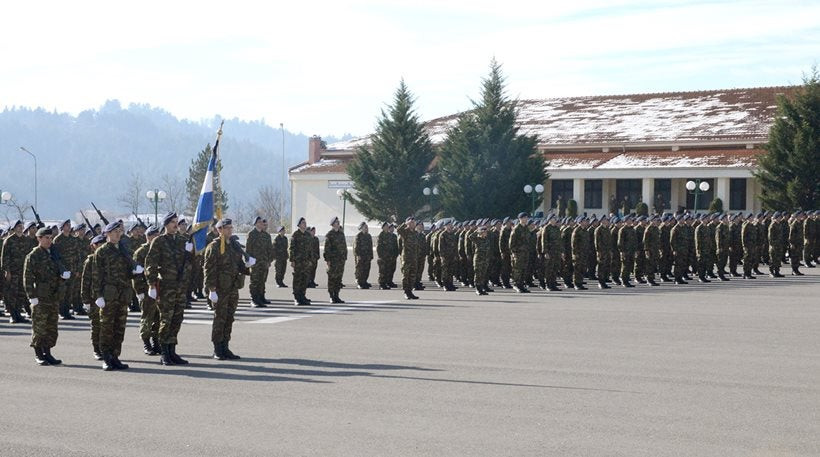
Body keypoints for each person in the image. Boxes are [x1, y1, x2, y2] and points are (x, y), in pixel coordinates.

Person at [92, 221, 142, 370]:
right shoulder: (101, 252)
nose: (117, 234)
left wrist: (135, 272)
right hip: (109, 295)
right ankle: (106, 358)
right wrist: (98, 295)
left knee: (119, 327)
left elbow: (127, 272)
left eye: (119, 232)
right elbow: (96, 276)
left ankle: (115, 356)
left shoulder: (124, 250)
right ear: (107, 234)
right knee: (107, 327)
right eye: (114, 232)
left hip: (123, 294)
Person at [145, 212, 193, 366]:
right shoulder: (159, 241)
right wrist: (151, 284)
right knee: (166, 319)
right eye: (172, 222)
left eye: (176, 222)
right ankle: (164, 353)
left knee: (177, 319)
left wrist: (192, 252)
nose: (175, 224)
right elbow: (150, 263)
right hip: (166, 287)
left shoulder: (182, 240)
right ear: (166, 224)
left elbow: (190, 263)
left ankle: (172, 351)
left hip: (180, 287)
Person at [204, 218, 253, 360]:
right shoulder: (214, 247)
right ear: (219, 230)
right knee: (219, 318)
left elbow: (238, 265)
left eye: (231, 228)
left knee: (229, 318)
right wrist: (211, 290)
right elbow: (208, 270)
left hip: (232, 288)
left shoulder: (234, 246)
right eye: (226, 228)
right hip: (219, 289)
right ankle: (217, 349)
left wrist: (247, 266)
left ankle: (225, 347)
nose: (229, 230)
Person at [23, 227, 70, 365]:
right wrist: (31, 296)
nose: (49, 240)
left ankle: (48, 353)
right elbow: (27, 278)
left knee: (51, 327)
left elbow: (59, 272)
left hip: (54, 296)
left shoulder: (54, 254)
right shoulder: (33, 255)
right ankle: (38, 354)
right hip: (40, 296)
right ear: (39, 239)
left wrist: (63, 276)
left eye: (50, 238)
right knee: (40, 327)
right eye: (46, 238)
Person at [132, 225, 161, 355]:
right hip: (146, 288)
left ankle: (156, 341)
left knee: (159, 317)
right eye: (154, 235)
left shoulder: (161, 250)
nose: (157, 238)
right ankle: (146, 342)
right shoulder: (141, 252)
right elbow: (136, 274)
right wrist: (139, 291)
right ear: (148, 237)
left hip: (160, 289)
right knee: (147, 316)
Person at [81, 234, 106, 359]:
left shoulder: (108, 259)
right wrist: (86, 300)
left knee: (107, 325)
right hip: (94, 298)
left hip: (107, 296)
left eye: (103, 244)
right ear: (93, 246)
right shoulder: (90, 261)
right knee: (96, 325)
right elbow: (85, 281)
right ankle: (96, 349)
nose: (101, 247)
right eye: (99, 245)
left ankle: (106, 349)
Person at [2, 220, 31, 323]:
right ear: (14, 228)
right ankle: (13, 315)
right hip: (13, 271)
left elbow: (28, 256)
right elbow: (5, 257)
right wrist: (7, 271)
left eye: (21, 226)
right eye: (18, 226)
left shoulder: (26, 240)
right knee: (12, 294)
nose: (20, 228)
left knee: (21, 293)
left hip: (23, 271)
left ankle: (18, 314)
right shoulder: (9, 241)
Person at [246, 216, 273, 307]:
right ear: (256, 223)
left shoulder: (266, 235)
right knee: (254, 281)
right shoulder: (251, 234)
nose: (262, 224)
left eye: (262, 222)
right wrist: (249, 261)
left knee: (262, 280)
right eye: (260, 222)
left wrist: (269, 260)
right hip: (255, 262)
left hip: (264, 261)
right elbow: (248, 249)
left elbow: (269, 249)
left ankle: (261, 297)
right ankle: (254, 299)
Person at [324, 216, 348, 303]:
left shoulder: (341, 234)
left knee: (338, 278)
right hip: (333, 261)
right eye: (336, 222)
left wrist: (345, 257)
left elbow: (344, 246)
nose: (338, 224)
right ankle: (331, 296)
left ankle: (337, 295)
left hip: (340, 261)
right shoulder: (329, 235)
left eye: (338, 222)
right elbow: (327, 249)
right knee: (332, 278)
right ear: (333, 224)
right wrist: (328, 260)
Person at [289, 217, 312, 306]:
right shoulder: (295, 235)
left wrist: (310, 259)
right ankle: (297, 297)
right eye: (303, 223)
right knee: (297, 279)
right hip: (298, 262)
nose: (305, 224)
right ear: (299, 225)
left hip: (306, 261)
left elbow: (310, 249)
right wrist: (292, 260)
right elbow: (291, 248)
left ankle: (302, 296)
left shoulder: (308, 235)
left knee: (305, 279)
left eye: (305, 222)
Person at [396, 217, 420, 300]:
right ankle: (406, 292)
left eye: (413, 222)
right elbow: (398, 229)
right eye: (411, 222)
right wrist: (405, 223)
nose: (413, 224)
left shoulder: (416, 233)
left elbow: (417, 246)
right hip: (406, 257)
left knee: (412, 275)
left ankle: (410, 291)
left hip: (414, 257)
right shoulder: (405, 232)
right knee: (406, 275)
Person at [509, 212, 531, 293]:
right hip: (518, 253)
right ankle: (516, 285)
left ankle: (521, 285)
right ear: (520, 219)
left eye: (526, 217)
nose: (525, 219)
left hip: (525, 253)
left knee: (524, 269)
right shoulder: (516, 229)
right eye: (524, 218)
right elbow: (511, 243)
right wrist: (514, 252)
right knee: (517, 269)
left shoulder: (526, 228)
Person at [354, 222, 373, 289]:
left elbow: (370, 246)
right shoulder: (358, 236)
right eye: (365, 227)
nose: (366, 228)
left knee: (367, 269)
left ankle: (364, 281)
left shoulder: (368, 236)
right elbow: (356, 247)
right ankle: (360, 283)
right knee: (360, 269)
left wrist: (371, 256)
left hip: (367, 256)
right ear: (361, 228)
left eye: (367, 227)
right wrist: (358, 255)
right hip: (361, 256)